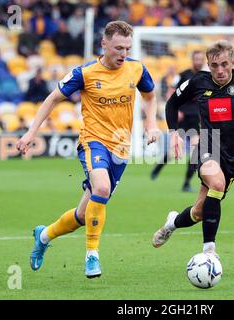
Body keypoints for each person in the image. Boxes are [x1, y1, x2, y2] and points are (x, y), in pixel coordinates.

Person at [16, 21, 160, 278]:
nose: (123, 54)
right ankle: (92, 256)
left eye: (127, 48)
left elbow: (150, 95)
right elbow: (52, 99)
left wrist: (151, 125)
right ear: (104, 44)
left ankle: (44, 236)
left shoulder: (136, 69)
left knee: (83, 215)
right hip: (93, 141)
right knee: (102, 188)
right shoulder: (85, 73)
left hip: (121, 148)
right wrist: (31, 132)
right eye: (118, 48)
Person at [151, 40, 234, 258]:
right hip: (208, 144)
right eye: (214, 65)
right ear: (208, 64)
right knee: (217, 183)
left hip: (233, 154)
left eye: (224, 64)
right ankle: (209, 251)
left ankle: (171, 223)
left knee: (198, 212)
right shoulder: (198, 82)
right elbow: (171, 104)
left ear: (232, 62)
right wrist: (174, 133)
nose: (220, 70)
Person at [151, 50, 205, 192]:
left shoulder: (205, 78)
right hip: (182, 117)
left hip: (195, 119)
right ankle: (157, 168)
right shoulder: (183, 75)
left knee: (196, 151)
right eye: (196, 59)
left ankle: (186, 183)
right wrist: (177, 109)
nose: (199, 61)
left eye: (201, 59)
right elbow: (171, 92)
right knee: (173, 152)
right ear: (192, 60)